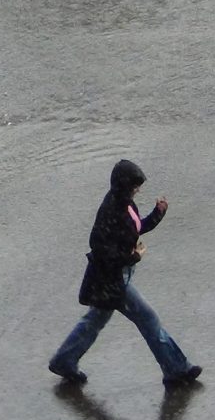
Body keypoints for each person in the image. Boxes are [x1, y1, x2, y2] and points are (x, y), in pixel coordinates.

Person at [49, 159, 200, 388]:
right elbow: (101, 249)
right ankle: (176, 369)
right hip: (113, 280)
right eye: (134, 186)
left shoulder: (125, 204)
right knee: (148, 319)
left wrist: (158, 214)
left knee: (93, 322)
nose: (137, 190)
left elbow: (138, 226)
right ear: (124, 186)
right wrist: (132, 257)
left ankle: (64, 360)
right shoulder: (112, 210)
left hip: (111, 278)